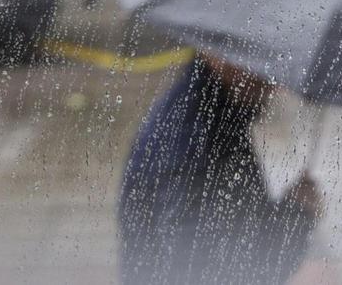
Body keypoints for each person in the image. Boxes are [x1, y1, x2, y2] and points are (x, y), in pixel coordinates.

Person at [119, 51, 321, 285]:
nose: (272, 81)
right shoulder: (195, 142)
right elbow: (212, 272)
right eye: (259, 59)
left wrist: (293, 210)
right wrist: (294, 219)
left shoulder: (214, 121)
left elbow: (235, 231)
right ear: (215, 54)